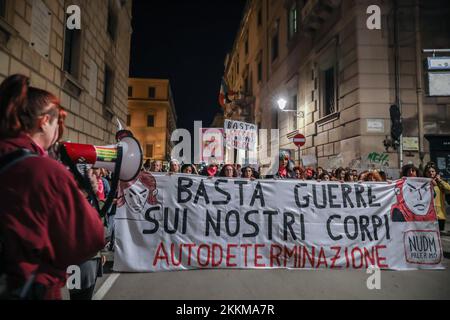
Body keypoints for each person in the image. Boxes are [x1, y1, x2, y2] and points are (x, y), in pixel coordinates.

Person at [0, 74, 105, 299]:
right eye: (58, 122)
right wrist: (83, 194)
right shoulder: (44, 171)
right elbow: (90, 238)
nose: (59, 130)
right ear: (45, 121)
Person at [424, 162, 450, 232]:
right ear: (426, 173)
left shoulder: (440, 183)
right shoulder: (423, 184)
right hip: (427, 215)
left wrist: (440, 180)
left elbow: (449, 189)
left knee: (439, 239)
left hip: (440, 215)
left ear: (436, 173)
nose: (431, 173)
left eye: (433, 171)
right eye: (429, 172)